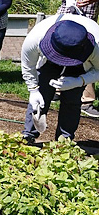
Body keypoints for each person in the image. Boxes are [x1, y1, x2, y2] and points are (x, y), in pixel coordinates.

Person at [21, 15, 99, 143]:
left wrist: (79, 81)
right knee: (41, 95)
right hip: (49, 62)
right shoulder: (36, 37)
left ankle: (64, 140)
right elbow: (28, 65)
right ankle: (28, 136)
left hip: (80, 63)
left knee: (72, 100)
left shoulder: (96, 43)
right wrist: (33, 90)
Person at [53, 0, 99, 117]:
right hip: (67, 14)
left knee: (88, 55)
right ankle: (55, 88)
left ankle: (87, 100)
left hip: (89, 17)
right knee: (57, 49)